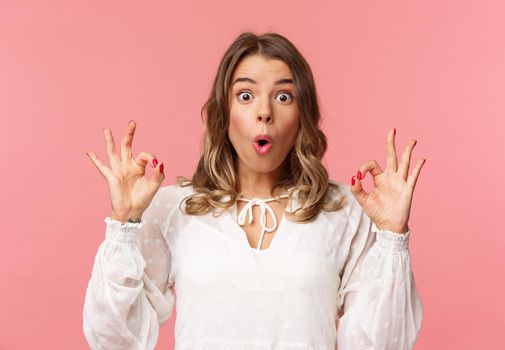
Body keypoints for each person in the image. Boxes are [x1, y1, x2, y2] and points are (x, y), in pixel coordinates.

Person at [83, 31, 425, 350]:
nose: (264, 112)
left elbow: (380, 344)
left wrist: (391, 236)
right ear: (224, 112)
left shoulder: (344, 210)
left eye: (283, 96)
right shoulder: (175, 208)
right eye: (245, 96)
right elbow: (114, 339)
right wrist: (124, 224)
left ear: (302, 114)